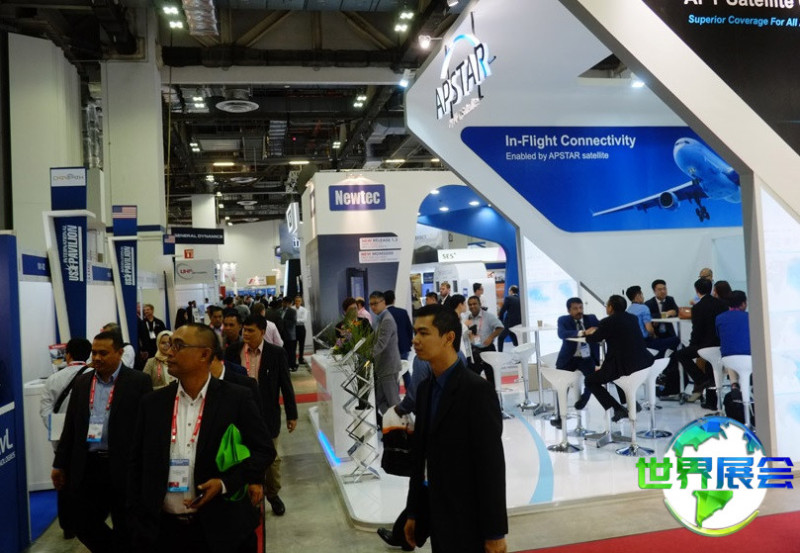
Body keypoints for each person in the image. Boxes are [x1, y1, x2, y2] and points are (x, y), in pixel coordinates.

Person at [127, 323, 274, 553]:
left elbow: (263, 450)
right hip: (164, 533)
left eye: (178, 346)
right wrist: (138, 518)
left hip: (222, 530)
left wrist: (225, 483)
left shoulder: (236, 399)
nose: (169, 352)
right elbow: (136, 463)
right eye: (170, 345)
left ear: (204, 354)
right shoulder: (153, 403)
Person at [404, 304, 507, 553]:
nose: (416, 340)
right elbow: (421, 457)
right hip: (438, 514)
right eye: (415, 332)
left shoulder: (476, 391)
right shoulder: (426, 389)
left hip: (469, 519)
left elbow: (491, 465)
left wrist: (495, 532)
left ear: (448, 338)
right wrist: (413, 511)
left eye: (424, 333)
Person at [52, 331, 153, 553]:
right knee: (83, 523)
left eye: (103, 353)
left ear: (119, 353)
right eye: (94, 352)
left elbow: (147, 429)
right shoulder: (82, 382)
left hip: (123, 467)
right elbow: (71, 427)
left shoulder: (138, 382)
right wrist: (59, 464)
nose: (97, 358)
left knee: (126, 525)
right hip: (89, 466)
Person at [225, 314, 298, 517]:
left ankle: (273, 495)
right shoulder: (232, 352)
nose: (246, 334)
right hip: (239, 415)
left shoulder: (276, 353)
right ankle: (249, 499)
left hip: (267, 414)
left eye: (251, 330)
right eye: (244, 330)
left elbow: (286, 385)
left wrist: (292, 414)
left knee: (272, 459)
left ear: (263, 332)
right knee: (243, 457)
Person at [40, 337, 92, 539]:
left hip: (61, 441)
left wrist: (60, 433)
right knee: (88, 480)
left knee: (64, 481)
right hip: (89, 440)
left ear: (67, 354)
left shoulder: (53, 379)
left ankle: (68, 526)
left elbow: (45, 411)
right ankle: (87, 521)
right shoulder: (93, 376)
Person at [583, 295, 655, 422]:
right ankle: (630, 402)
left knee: (590, 381)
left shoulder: (607, 321)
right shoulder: (632, 318)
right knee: (616, 375)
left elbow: (595, 338)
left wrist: (586, 334)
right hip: (642, 362)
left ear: (610, 307)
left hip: (625, 365)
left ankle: (617, 408)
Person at [662, 278, 728, 403]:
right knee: (709, 365)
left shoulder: (698, 307)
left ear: (696, 290)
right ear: (711, 289)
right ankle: (711, 399)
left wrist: (692, 345)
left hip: (704, 346)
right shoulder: (722, 305)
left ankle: (701, 380)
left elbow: (697, 330)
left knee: (681, 354)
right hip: (720, 344)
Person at [555, 298, 600, 427]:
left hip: (586, 358)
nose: (579, 311)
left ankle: (584, 400)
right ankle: (560, 417)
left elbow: (601, 329)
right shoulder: (563, 320)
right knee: (562, 386)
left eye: (580, 307)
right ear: (569, 310)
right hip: (569, 357)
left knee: (593, 380)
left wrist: (596, 331)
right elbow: (562, 334)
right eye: (575, 308)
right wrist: (583, 332)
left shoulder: (591, 318)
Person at [369, 290, 402, 416]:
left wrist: (368, 354)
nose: (373, 307)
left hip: (388, 367)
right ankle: (390, 423)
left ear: (383, 302)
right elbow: (374, 339)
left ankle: (400, 425)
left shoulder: (387, 319)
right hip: (382, 367)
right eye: (371, 304)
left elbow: (381, 344)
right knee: (381, 400)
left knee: (393, 402)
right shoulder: (379, 319)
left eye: (375, 303)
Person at [626, 286, 679, 358]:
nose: (662, 291)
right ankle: (660, 360)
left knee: (664, 344)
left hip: (635, 342)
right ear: (638, 295)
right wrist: (654, 335)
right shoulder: (645, 307)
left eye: (664, 289)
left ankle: (660, 359)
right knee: (676, 340)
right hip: (646, 342)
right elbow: (649, 329)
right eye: (659, 289)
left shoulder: (629, 310)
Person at [465, 295, 504, 388]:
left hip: (488, 350)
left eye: (474, 304)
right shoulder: (468, 318)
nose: (472, 306)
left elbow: (500, 327)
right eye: (470, 304)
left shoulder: (488, 316)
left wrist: (491, 337)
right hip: (475, 351)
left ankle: (493, 395)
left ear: (480, 304)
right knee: (472, 379)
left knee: (491, 378)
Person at [715, 290, 750, 387]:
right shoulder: (750, 317)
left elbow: (719, 336)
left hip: (727, 358)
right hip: (748, 357)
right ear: (743, 304)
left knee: (732, 352)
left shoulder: (719, 318)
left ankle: (734, 384)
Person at [497, 285, 521, 352]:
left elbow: (502, 311)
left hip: (509, 324)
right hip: (518, 323)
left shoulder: (508, 298)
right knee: (515, 340)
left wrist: (500, 321)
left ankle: (500, 354)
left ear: (511, 291)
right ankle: (519, 353)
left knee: (500, 338)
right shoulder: (520, 299)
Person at [280, 297, 298, 371]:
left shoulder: (292, 311)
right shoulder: (280, 310)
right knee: (284, 351)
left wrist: (283, 321)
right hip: (282, 334)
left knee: (291, 351)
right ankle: (286, 365)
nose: (283, 304)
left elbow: (293, 322)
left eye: (284, 302)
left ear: (287, 303)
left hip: (290, 335)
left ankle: (292, 365)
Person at [294, 295, 308, 365]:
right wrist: (298, 320)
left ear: (301, 302)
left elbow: (304, 320)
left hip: (301, 328)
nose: (297, 302)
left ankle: (301, 359)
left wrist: (295, 320)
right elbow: (292, 320)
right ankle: (293, 360)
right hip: (294, 328)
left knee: (301, 345)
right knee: (293, 345)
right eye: (296, 301)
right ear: (294, 301)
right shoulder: (292, 309)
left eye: (299, 301)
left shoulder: (304, 310)